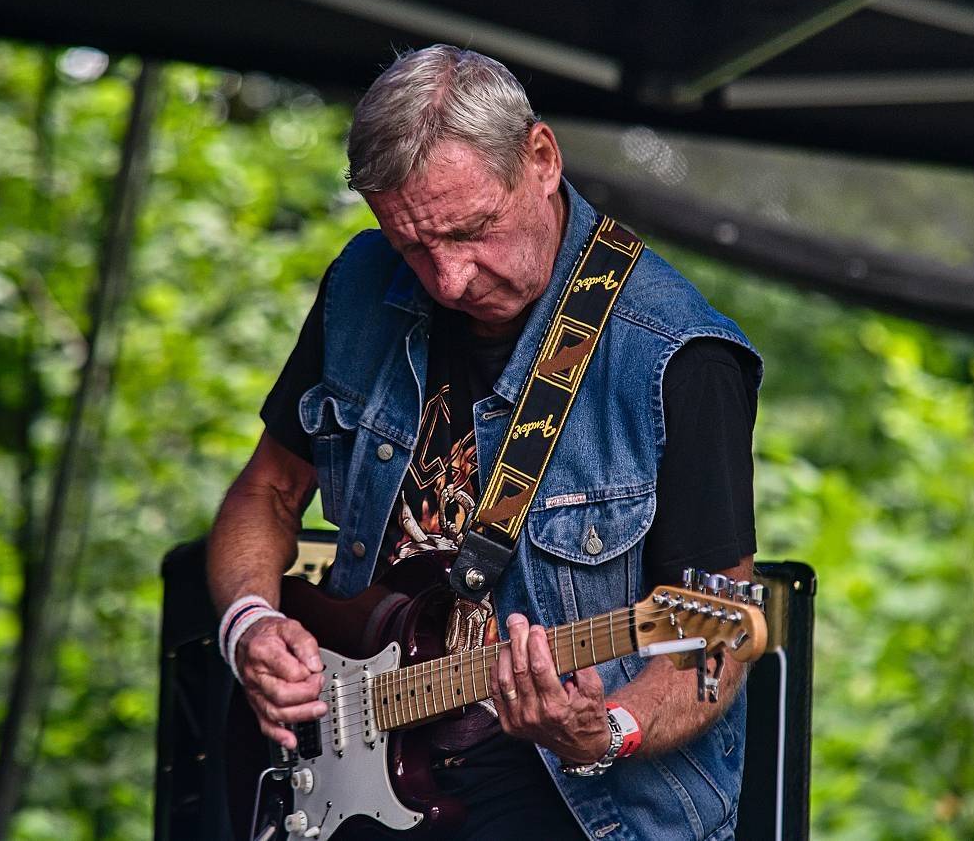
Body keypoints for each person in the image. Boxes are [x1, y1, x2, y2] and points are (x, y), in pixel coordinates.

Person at [207, 45, 762, 841]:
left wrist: (607, 728)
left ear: (540, 158)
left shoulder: (679, 356)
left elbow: (714, 639)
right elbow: (267, 490)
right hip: (359, 779)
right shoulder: (361, 285)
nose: (448, 280)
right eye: (412, 245)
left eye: (471, 231)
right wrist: (251, 622)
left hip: (583, 812)